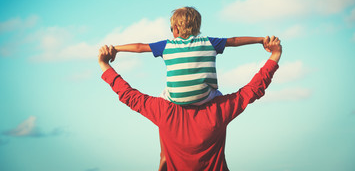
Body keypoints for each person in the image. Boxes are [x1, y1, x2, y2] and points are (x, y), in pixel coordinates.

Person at [99, 36, 282, 171]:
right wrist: (275, 54)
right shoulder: (218, 110)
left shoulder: (163, 112)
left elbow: (128, 95)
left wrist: (104, 64)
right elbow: (252, 90)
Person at [109, 6, 270, 105]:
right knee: (219, 95)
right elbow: (234, 41)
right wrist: (261, 40)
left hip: (176, 100)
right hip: (206, 97)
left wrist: (116, 48)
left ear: (175, 29)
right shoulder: (209, 42)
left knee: (163, 96)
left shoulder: (167, 45)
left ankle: (163, 152)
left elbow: (139, 47)